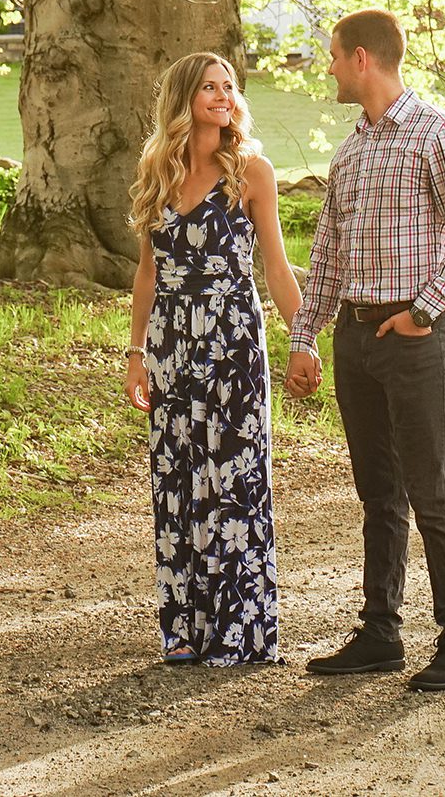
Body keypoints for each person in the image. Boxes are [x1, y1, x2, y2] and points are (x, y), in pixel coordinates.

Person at [285, 8, 445, 691]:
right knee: (379, 493)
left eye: (334, 56)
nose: (329, 67)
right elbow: (326, 257)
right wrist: (304, 336)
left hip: (415, 342)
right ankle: (381, 632)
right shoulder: (349, 153)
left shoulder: (439, 133)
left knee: (432, 491)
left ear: (362, 60)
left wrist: (423, 312)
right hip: (356, 339)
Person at [125, 51, 303, 666]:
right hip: (172, 345)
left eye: (228, 86)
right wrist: (136, 353)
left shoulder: (251, 171)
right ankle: (186, 630)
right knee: (179, 481)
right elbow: (147, 274)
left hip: (232, 341)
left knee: (234, 478)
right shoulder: (157, 170)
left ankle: (240, 631)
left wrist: (300, 336)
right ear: (183, 98)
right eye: (208, 86)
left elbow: (275, 265)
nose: (223, 96)